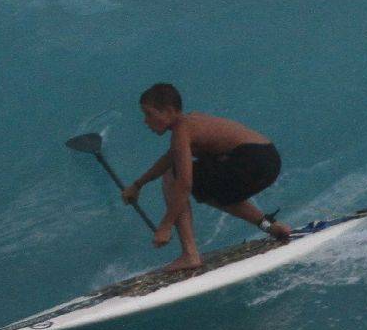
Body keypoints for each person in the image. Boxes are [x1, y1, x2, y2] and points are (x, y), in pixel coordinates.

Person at [121, 83, 293, 271]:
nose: (146, 121)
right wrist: (138, 185)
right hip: (269, 161)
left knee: (174, 177)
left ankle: (190, 254)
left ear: (169, 111)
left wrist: (165, 225)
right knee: (212, 192)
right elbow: (170, 158)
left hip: (251, 160)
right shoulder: (192, 123)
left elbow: (184, 184)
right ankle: (271, 226)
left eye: (149, 114)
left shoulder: (182, 131)